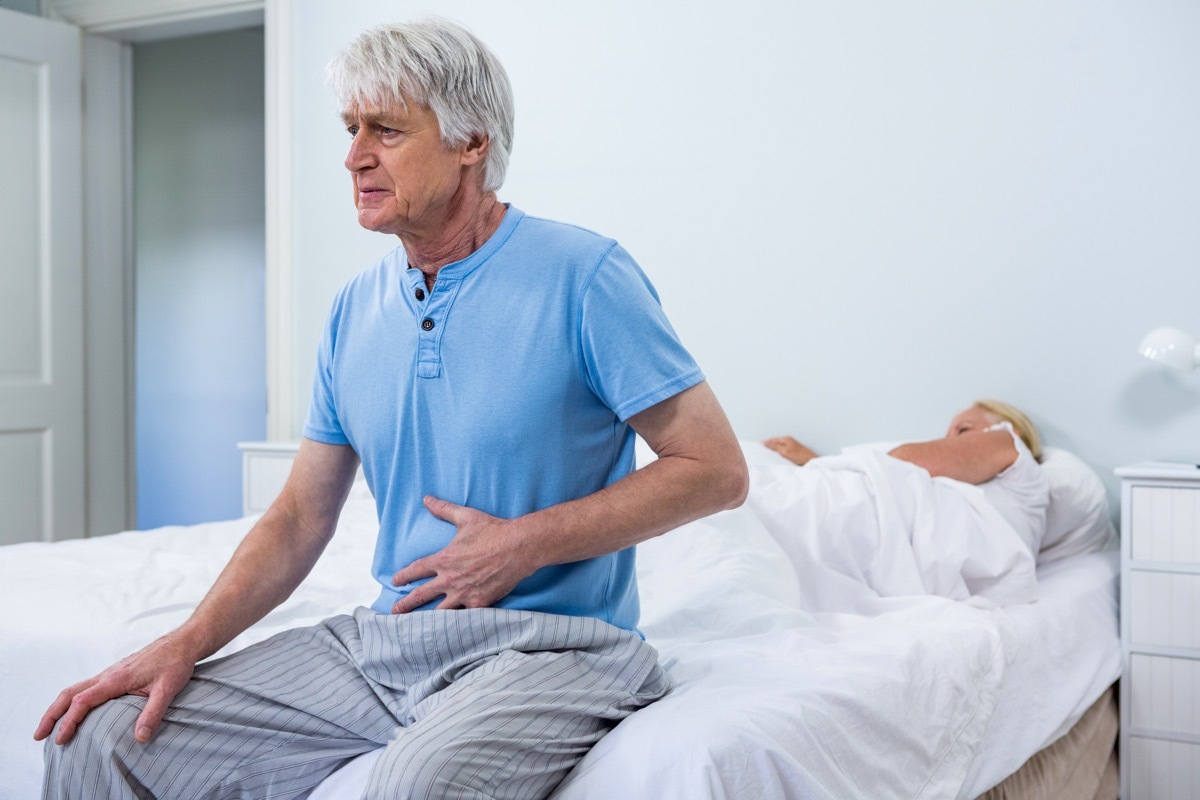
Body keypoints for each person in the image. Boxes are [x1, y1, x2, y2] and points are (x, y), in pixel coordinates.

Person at [36, 18, 747, 800]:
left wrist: (524, 544)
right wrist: (187, 641)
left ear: (471, 140)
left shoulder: (585, 276)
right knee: (98, 741)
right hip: (385, 643)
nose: (354, 156)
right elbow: (302, 516)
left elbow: (715, 470)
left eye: (386, 130)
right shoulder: (354, 309)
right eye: (350, 129)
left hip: (558, 649)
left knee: (417, 783)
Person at [765, 399, 1048, 549]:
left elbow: (904, 464)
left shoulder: (1008, 442)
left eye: (963, 430)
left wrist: (819, 462)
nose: (951, 442)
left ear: (1014, 430)